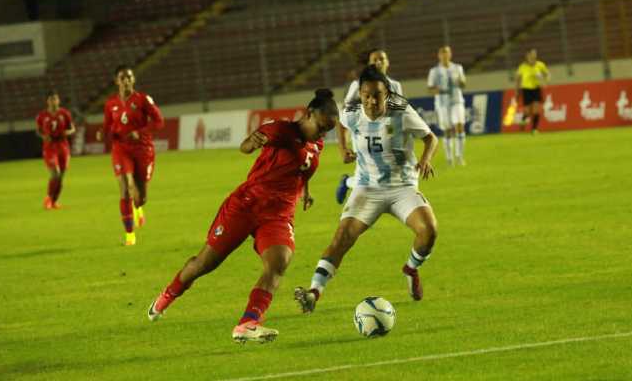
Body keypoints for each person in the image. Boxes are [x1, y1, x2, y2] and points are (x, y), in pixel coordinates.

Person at [147, 89, 339, 344]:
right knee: (205, 263)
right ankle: (168, 294)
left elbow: (302, 170)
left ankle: (248, 323)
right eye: (322, 126)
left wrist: (305, 191)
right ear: (308, 114)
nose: (323, 133)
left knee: (279, 262)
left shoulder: (318, 144)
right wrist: (253, 142)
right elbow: (245, 146)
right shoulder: (281, 130)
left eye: (328, 130)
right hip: (246, 205)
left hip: (278, 214)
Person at [294, 65, 438, 314]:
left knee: (429, 232)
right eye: (367, 95)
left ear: (387, 94)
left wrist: (426, 159)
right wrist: (343, 148)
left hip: (402, 186)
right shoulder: (352, 112)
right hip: (366, 188)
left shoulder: (401, 111)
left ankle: (410, 269)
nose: (372, 101)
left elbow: (430, 138)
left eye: (377, 95)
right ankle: (313, 292)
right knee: (341, 240)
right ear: (360, 94)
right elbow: (340, 123)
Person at [96, 65, 164, 245]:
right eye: (122, 78)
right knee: (125, 189)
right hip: (121, 149)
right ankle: (129, 235)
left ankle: (138, 208)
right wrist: (102, 133)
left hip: (143, 150)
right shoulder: (110, 104)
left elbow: (159, 121)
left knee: (141, 197)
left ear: (133, 80)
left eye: (129, 77)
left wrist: (140, 132)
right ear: (116, 81)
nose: (126, 81)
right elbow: (107, 125)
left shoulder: (143, 100)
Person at [336, 48, 403, 204]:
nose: (379, 62)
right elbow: (346, 117)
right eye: (375, 60)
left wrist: (394, 137)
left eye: (382, 59)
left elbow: (395, 116)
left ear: (388, 62)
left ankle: (347, 183)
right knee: (369, 178)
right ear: (369, 64)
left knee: (374, 178)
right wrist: (343, 147)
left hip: (385, 136)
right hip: (364, 135)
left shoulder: (395, 85)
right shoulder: (358, 85)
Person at [428, 45, 467, 166]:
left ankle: (459, 156)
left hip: (457, 101)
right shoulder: (434, 71)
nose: (445, 55)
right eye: (442, 53)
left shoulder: (457, 68)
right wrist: (437, 90)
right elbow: (430, 88)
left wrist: (460, 82)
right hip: (442, 104)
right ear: (439, 55)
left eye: (447, 53)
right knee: (448, 130)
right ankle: (449, 158)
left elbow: (463, 84)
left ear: (450, 54)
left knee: (460, 126)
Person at [36, 91, 75, 209]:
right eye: (51, 99)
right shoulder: (42, 116)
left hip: (63, 146)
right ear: (47, 101)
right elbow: (38, 130)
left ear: (58, 100)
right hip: (50, 147)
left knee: (61, 176)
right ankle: (48, 198)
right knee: (55, 173)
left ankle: (54, 201)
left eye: (55, 99)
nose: (54, 102)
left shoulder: (65, 114)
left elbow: (72, 129)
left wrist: (66, 132)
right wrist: (44, 136)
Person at [515, 49, 550, 134]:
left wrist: (545, 81)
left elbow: (547, 74)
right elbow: (518, 79)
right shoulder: (522, 67)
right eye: (531, 54)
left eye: (534, 54)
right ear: (527, 56)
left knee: (536, 110)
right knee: (527, 111)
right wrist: (517, 90)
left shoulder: (540, 65)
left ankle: (534, 129)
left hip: (536, 89)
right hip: (526, 89)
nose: (533, 56)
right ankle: (523, 119)